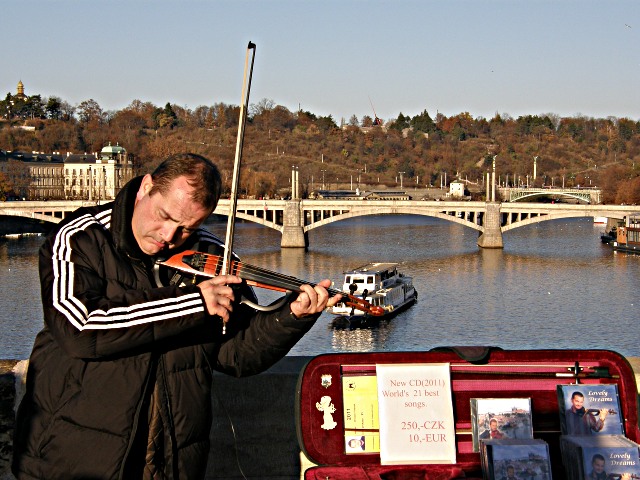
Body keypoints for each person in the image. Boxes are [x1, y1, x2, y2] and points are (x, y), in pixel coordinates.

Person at [12, 153, 341, 480]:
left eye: (187, 228)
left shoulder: (211, 255)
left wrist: (292, 317)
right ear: (146, 188)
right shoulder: (79, 237)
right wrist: (192, 303)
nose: (169, 235)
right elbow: (79, 327)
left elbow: (237, 353)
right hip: (74, 461)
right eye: (163, 216)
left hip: (171, 461)